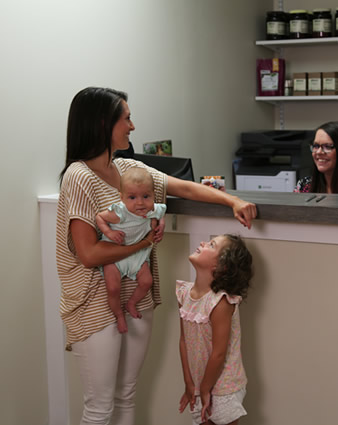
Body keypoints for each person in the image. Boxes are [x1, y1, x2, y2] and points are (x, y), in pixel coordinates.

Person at [56, 86, 257, 425]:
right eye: (127, 118)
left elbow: (183, 186)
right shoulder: (79, 177)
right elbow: (89, 254)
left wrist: (231, 201)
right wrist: (144, 242)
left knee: (127, 394)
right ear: (104, 123)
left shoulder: (128, 168)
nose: (132, 126)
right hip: (95, 303)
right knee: (100, 406)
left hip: (137, 297)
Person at [177, 234, 253, 425]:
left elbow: (219, 353)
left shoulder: (220, 303)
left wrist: (205, 389)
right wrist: (189, 382)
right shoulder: (184, 294)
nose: (202, 243)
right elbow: (184, 340)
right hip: (199, 383)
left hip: (223, 385)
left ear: (221, 267)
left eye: (211, 245)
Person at [96, 167, 167, 334]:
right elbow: (99, 217)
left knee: (147, 282)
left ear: (152, 195)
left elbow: (161, 212)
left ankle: (131, 303)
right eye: (132, 197)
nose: (140, 203)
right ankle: (119, 314)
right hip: (114, 254)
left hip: (137, 255)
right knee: (113, 288)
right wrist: (109, 232)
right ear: (122, 198)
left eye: (146, 196)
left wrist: (161, 224)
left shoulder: (152, 209)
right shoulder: (119, 213)